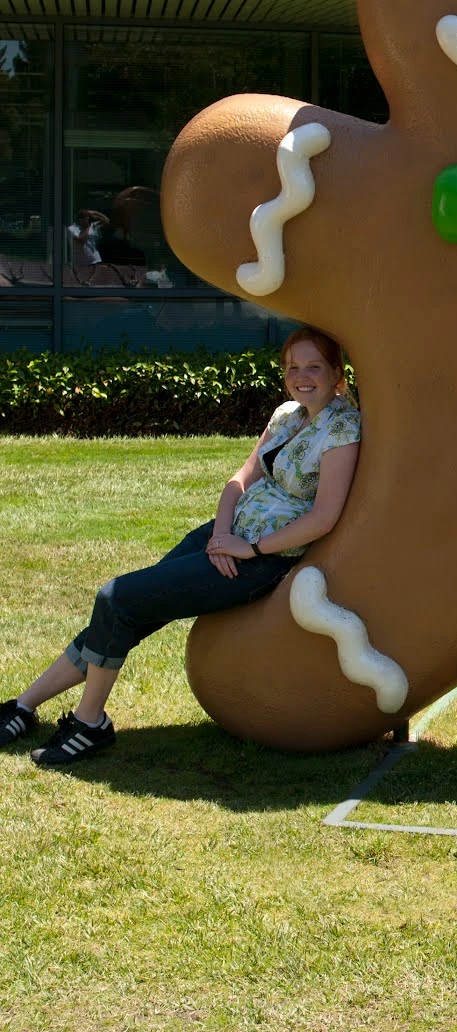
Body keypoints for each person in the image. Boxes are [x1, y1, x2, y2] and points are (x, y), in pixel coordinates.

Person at [0, 327, 360, 768]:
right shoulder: (288, 414)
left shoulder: (343, 427)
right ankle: (24, 705)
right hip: (225, 539)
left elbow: (324, 517)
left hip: (258, 562)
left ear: (336, 373)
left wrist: (252, 550)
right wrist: (222, 536)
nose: (302, 377)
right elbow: (240, 480)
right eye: (293, 367)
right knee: (124, 611)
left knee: (117, 598)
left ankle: (89, 722)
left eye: (314, 367)